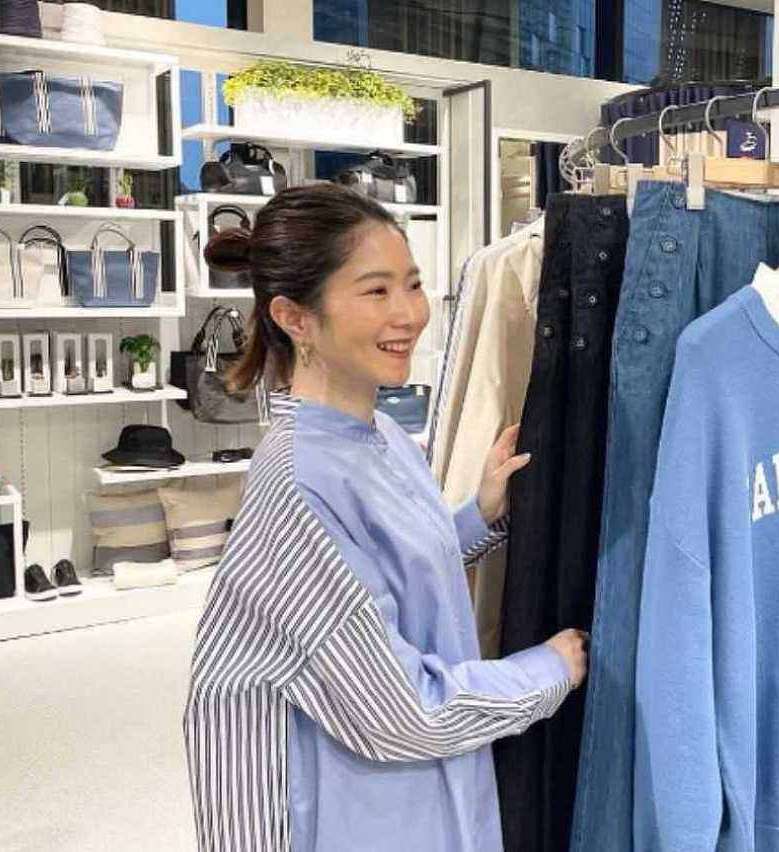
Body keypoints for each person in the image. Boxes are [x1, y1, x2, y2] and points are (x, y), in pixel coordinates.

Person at [184, 184, 588, 852]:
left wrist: (480, 513)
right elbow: (398, 710)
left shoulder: (380, 434)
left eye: (414, 285)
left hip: (404, 786)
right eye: (376, 291)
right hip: (345, 802)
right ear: (294, 318)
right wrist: (548, 670)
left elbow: (385, 570)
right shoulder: (297, 484)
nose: (409, 314)